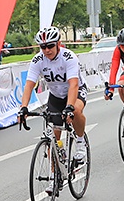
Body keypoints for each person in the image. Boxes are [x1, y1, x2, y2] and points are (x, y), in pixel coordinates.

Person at [18, 26, 88, 169]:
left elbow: (73, 84)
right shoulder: (38, 60)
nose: (47, 50)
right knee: (53, 139)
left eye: (50, 46)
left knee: (75, 111)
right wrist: (23, 107)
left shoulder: (68, 57)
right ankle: (54, 178)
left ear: (58, 44)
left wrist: (69, 107)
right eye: (43, 47)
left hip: (75, 91)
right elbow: (29, 85)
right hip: (56, 95)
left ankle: (81, 143)